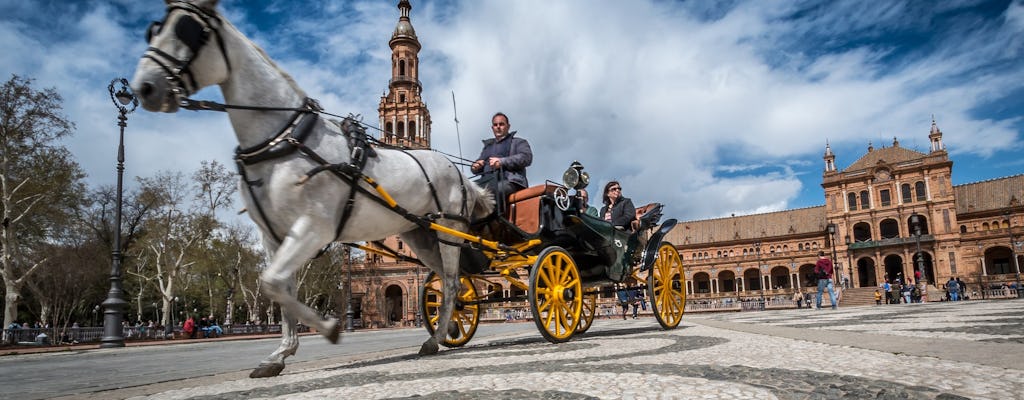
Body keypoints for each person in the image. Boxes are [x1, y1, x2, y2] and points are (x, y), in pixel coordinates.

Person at [470, 112, 533, 209]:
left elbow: (526, 157)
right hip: (487, 182)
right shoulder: (488, 147)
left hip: (511, 182)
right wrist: (475, 166)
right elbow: (477, 166)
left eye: (501, 124)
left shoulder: (519, 142)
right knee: (467, 192)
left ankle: (492, 221)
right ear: (492, 128)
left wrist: (502, 162)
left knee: (491, 191)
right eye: (495, 125)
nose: (498, 127)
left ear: (508, 126)